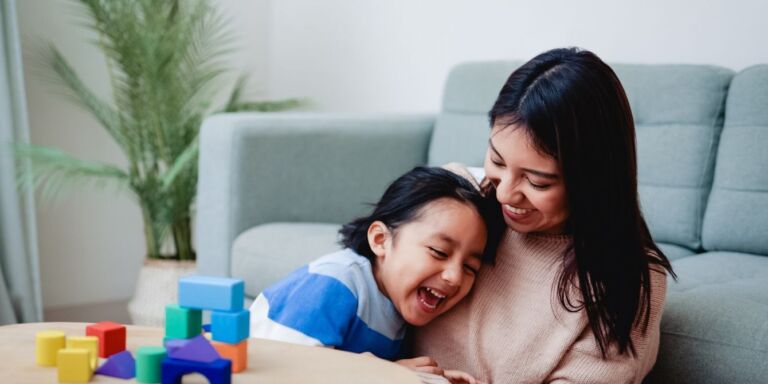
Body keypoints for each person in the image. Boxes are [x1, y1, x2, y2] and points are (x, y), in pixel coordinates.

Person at [412, 47, 676, 384]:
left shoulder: (624, 278)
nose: (505, 193)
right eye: (497, 160)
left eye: (537, 181)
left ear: (592, 181)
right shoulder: (457, 199)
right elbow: (358, 282)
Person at [249, 166, 504, 382]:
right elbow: (285, 372)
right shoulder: (335, 284)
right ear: (381, 239)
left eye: (470, 267)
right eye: (439, 251)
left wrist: (429, 378)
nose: (454, 276)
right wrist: (387, 374)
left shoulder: (394, 310)